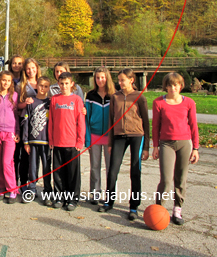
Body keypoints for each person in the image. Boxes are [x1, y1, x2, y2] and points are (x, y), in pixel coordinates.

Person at [99, 68, 150, 221]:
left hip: (136, 136)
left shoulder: (139, 97)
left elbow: (146, 123)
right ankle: (109, 201)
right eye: (119, 80)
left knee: (135, 172)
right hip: (119, 136)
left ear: (131, 80)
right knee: (112, 170)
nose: (120, 83)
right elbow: (111, 120)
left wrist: (146, 146)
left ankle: (133, 207)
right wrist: (110, 141)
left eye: (123, 80)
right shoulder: (115, 97)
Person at [152, 72, 199, 226]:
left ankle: (177, 209)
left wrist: (196, 148)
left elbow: (193, 126)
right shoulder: (159, 102)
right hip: (166, 143)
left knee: (181, 178)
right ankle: (159, 208)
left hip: (184, 143)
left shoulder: (189, 103)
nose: (173, 88)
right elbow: (156, 126)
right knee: (166, 179)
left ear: (181, 85)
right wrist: (155, 146)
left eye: (176, 85)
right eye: (170, 85)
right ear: (166, 86)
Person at [48, 72, 85, 211]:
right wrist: (51, 139)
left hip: (72, 143)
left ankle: (72, 199)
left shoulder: (76, 100)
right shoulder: (54, 99)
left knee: (72, 173)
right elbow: (51, 120)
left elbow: (81, 122)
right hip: (57, 142)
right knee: (58, 172)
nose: (64, 86)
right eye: (61, 83)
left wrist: (80, 141)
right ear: (58, 84)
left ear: (72, 84)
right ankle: (59, 197)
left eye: (67, 83)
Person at [85, 67, 115, 204]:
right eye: (97, 78)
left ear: (107, 78)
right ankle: (95, 193)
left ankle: (110, 194)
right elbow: (87, 117)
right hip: (95, 135)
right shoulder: (91, 95)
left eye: (102, 77)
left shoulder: (113, 95)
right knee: (95, 166)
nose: (100, 80)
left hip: (110, 137)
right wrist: (87, 138)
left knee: (111, 167)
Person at [22, 76, 53, 206]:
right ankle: (32, 190)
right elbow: (26, 122)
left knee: (47, 168)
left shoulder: (51, 103)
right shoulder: (31, 102)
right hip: (33, 141)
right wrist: (25, 141)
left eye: (46, 86)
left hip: (46, 141)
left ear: (48, 88)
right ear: (37, 86)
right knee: (32, 167)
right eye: (41, 85)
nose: (43, 88)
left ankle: (47, 191)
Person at [0, 71, 20, 204]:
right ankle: (1, 187)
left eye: (8, 81)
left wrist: (17, 132)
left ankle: (12, 189)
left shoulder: (14, 96)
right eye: (3, 80)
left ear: (11, 83)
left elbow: (17, 116)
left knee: (7, 162)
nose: (5, 83)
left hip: (10, 133)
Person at [15, 58, 42, 190]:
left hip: (40, 122)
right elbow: (16, 105)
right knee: (25, 154)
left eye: (33, 68)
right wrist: (26, 103)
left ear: (37, 68)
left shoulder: (43, 83)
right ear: (25, 71)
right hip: (25, 121)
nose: (31, 71)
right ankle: (23, 183)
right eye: (28, 69)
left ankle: (34, 183)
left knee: (36, 156)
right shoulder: (21, 85)